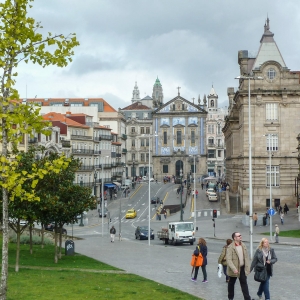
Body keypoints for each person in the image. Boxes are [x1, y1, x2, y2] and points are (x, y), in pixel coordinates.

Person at [226, 232, 252, 300]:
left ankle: (247, 298)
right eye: (239, 236)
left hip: (242, 268)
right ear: (235, 238)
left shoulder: (243, 245)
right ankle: (230, 298)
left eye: (241, 235)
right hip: (234, 270)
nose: (241, 236)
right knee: (231, 284)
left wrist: (248, 268)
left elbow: (246, 258)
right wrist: (234, 269)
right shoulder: (230, 247)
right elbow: (229, 260)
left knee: (244, 284)